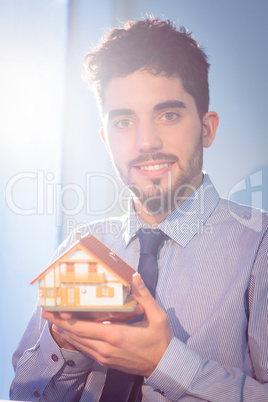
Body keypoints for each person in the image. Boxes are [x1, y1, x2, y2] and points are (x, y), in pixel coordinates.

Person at [10, 18, 267, 401]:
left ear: (207, 128)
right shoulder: (80, 247)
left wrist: (163, 360)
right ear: (106, 138)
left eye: (168, 115)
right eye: (124, 121)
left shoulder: (260, 246)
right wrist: (64, 343)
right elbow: (23, 395)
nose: (146, 142)